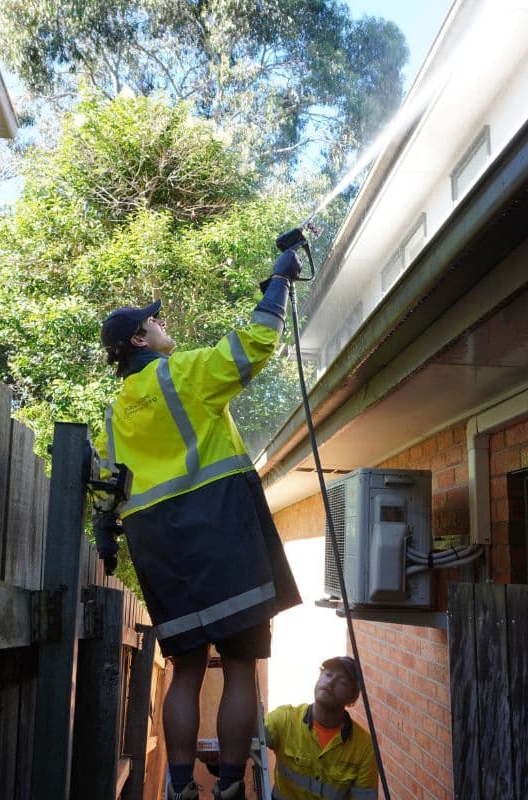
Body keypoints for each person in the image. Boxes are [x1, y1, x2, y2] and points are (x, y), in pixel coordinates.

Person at [92, 248, 305, 800]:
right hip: (223, 532)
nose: (162, 325)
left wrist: (106, 541)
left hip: (162, 549)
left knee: (184, 669)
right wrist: (278, 281)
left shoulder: (114, 414)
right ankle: (233, 785)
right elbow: (254, 345)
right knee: (239, 666)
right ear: (140, 340)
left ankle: (182, 788)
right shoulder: (183, 375)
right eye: (153, 321)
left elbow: (105, 491)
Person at [263, 657, 377, 800]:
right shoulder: (285, 719)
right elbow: (247, 738)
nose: (330, 683)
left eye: (342, 682)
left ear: (352, 698)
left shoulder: (364, 748)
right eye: (328, 674)